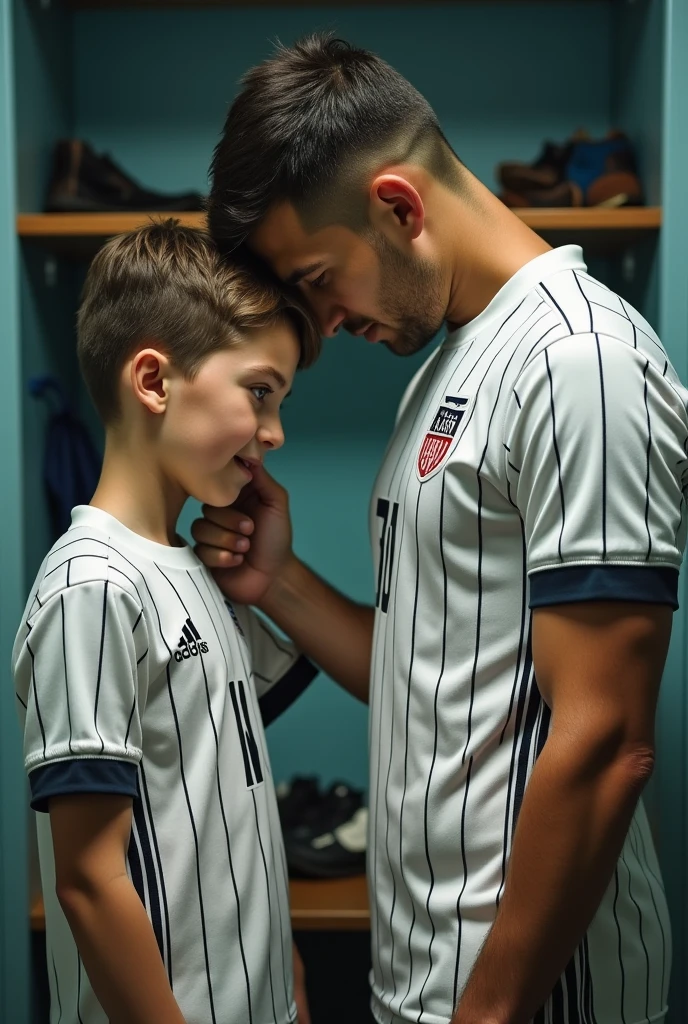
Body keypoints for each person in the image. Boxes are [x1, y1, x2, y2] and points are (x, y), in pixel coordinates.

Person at [194, 35, 688, 1024]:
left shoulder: (579, 360)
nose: (323, 320)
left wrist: (489, 1010)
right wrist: (281, 581)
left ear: (399, 206)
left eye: (321, 276)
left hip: (537, 995)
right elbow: (435, 676)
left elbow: (605, 740)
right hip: (427, 976)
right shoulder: (452, 363)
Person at [12, 220, 320, 1024]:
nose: (275, 432)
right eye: (260, 392)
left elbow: (237, 807)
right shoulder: (91, 586)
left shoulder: (195, 570)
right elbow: (87, 878)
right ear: (154, 380)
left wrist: (281, 969)